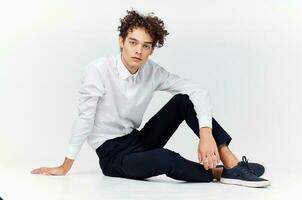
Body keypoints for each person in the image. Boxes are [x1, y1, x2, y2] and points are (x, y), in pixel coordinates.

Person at [31, 10, 270, 188]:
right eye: (133, 43)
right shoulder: (98, 70)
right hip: (114, 156)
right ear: (121, 41)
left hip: (137, 140)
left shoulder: (152, 71)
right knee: (166, 159)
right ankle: (219, 174)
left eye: (146, 46)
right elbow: (84, 119)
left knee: (183, 101)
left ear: (152, 49)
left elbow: (197, 90)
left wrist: (205, 133)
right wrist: (65, 166)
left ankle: (232, 164)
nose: (138, 50)